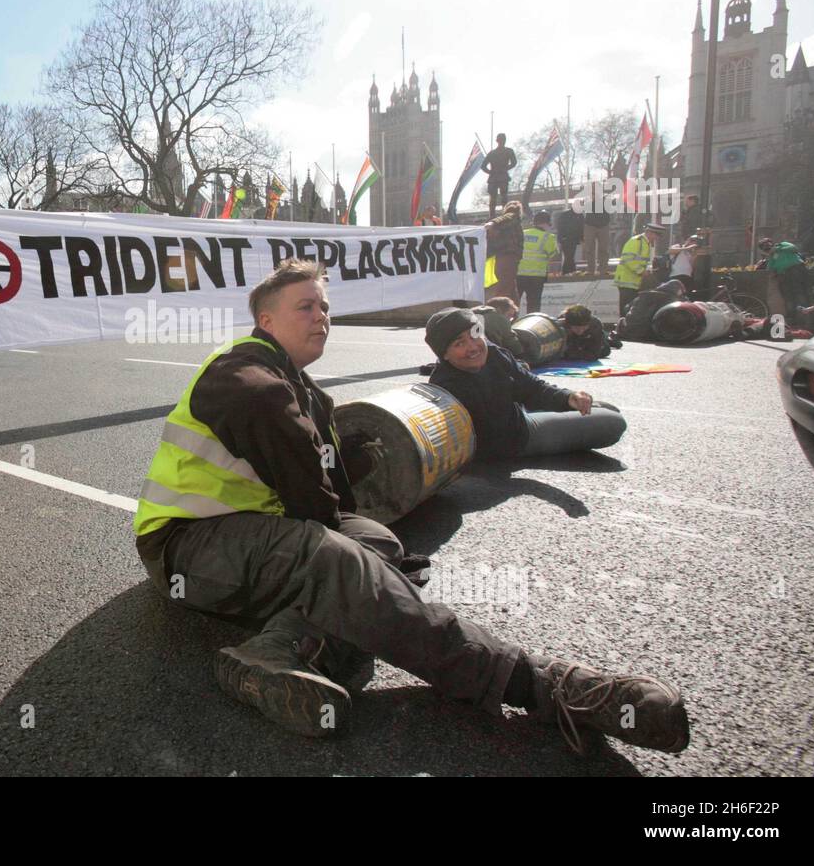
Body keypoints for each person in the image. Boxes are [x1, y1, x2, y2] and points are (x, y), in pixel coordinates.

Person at [132, 261, 688, 754]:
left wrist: (353, 497)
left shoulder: (307, 391)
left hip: (250, 533)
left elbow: (329, 492)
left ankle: (275, 653)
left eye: (325, 306)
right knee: (339, 559)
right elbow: (302, 485)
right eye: (304, 306)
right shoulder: (244, 375)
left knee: (379, 543)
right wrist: (352, 554)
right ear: (266, 319)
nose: (320, 316)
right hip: (186, 545)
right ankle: (540, 684)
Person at [427, 307, 627, 460]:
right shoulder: (445, 388)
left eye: (474, 335)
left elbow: (531, 387)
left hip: (516, 416)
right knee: (613, 422)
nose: (472, 347)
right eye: (459, 343)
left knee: (604, 407)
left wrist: (569, 398)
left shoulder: (494, 354)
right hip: (517, 438)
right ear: (444, 355)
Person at [614, 223, 664, 316]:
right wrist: (642, 271)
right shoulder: (636, 241)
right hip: (627, 281)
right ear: (649, 232)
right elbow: (628, 259)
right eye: (656, 235)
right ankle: (623, 327)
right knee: (626, 309)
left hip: (634, 282)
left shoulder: (645, 243)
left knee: (631, 309)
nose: (657, 238)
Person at [516, 210, 559, 314]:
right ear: (546, 223)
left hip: (518, 275)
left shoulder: (522, 234)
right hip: (537, 277)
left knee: (514, 304)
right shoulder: (548, 237)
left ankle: (510, 325)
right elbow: (554, 255)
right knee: (533, 305)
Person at [617, 280, 687, 341]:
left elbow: (626, 309)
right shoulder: (674, 300)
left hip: (630, 331)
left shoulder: (643, 295)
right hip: (653, 335)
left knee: (622, 319)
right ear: (678, 290)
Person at [484, 201, 524, 303]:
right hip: (508, 257)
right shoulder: (513, 216)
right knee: (504, 289)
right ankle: (497, 311)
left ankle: (513, 313)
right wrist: (492, 223)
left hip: (502, 257)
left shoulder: (508, 225)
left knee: (511, 289)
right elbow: (501, 219)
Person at [757, 237, 810, 314]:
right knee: (787, 295)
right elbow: (770, 267)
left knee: (799, 291)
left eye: (767, 245)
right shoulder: (772, 255)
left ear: (771, 243)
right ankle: (792, 315)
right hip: (783, 274)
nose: (768, 249)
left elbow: (794, 248)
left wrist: (778, 249)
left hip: (796, 269)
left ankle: (805, 313)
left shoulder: (783, 244)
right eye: (765, 249)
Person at [479, 133, 517, 214]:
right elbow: (483, 166)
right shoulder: (492, 153)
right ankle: (492, 216)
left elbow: (514, 162)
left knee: (504, 198)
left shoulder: (508, 151)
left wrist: (505, 168)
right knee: (493, 199)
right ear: (497, 141)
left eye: (503, 140)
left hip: (502, 177)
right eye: (501, 140)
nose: (502, 141)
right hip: (494, 178)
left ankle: (505, 215)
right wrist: (491, 172)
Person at [555, 205, 583, 274]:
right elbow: (580, 227)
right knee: (569, 256)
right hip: (567, 238)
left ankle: (569, 271)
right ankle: (568, 271)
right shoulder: (577, 215)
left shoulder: (569, 215)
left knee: (569, 255)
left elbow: (580, 227)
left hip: (569, 238)